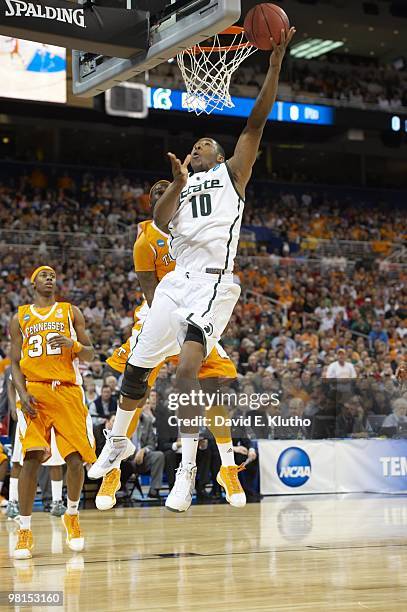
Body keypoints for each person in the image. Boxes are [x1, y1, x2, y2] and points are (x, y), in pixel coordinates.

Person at [90, 27, 296, 513]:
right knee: (136, 370)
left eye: (205, 145)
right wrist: (177, 184)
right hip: (174, 284)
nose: (197, 148)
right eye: (194, 146)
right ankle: (117, 442)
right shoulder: (179, 191)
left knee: (186, 369)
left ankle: (187, 468)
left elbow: (255, 124)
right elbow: (159, 224)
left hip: (212, 284)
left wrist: (273, 65)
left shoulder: (232, 175)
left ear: (220, 157)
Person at [94, 181, 242, 511]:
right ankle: (113, 469)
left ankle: (228, 467)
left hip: (197, 305)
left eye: (171, 190)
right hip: (160, 308)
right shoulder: (146, 237)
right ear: (153, 204)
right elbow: (149, 288)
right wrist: (166, 321)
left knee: (212, 384)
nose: (166, 195)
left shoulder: (198, 224)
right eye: (158, 194)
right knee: (136, 384)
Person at [9, 265, 96, 559]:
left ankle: (71, 514)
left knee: (75, 460)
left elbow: (90, 353)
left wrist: (74, 344)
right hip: (36, 391)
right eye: (44, 276)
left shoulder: (71, 312)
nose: (50, 279)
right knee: (31, 458)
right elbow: (14, 363)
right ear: (33, 283)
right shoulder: (19, 317)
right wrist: (21, 393)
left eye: (53, 276)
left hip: (68, 391)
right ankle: (24, 529)